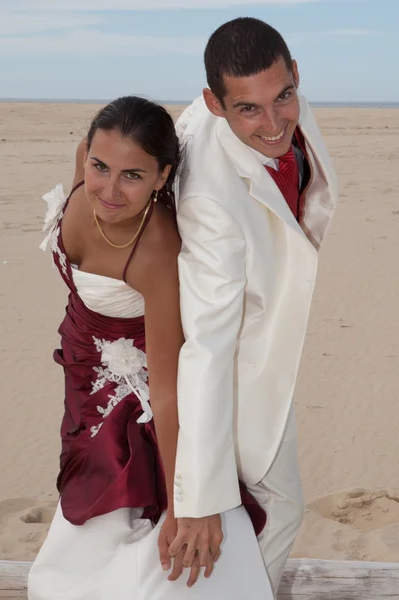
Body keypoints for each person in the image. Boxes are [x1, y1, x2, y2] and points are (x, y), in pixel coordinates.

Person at [27, 96, 274, 600]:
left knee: (118, 515)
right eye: (101, 166)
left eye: (133, 176)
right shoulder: (85, 162)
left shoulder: (155, 251)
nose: (109, 190)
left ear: (163, 178)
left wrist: (185, 504)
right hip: (80, 361)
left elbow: (165, 391)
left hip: (132, 387)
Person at [172, 17, 338, 596]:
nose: (273, 124)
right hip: (239, 359)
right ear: (214, 104)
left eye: (283, 97)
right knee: (279, 510)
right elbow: (208, 346)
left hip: (266, 323)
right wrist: (199, 498)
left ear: (295, 75)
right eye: (248, 109)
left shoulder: (276, 106)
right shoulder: (207, 202)